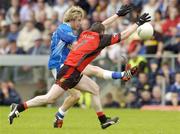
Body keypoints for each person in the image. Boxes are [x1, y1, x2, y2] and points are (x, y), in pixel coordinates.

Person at [8, 5, 148, 129]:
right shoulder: (65, 29)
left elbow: (98, 27)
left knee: (89, 90)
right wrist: (138, 23)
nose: (80, 23)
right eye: (79, 20)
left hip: (71, 66)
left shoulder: (85, 34)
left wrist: (117, 15)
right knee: (52, 97)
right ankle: (19, 108)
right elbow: (113, 35)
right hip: (63, 66)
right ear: (73, 19)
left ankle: (101, 119)